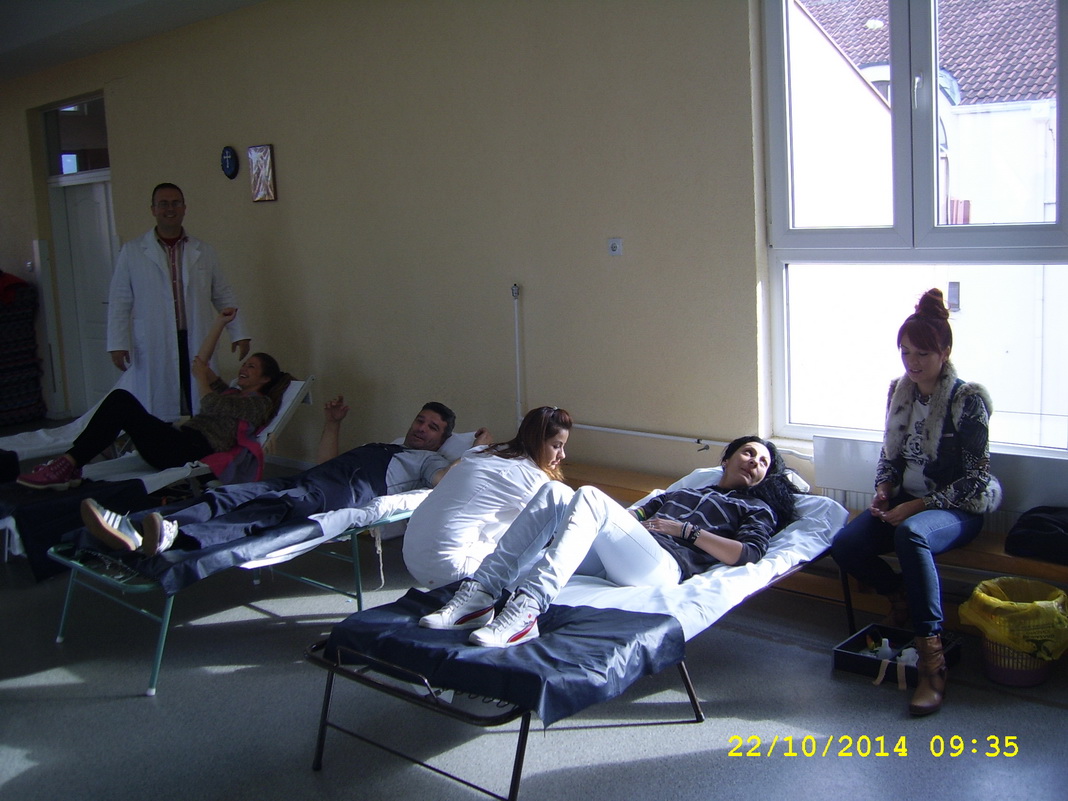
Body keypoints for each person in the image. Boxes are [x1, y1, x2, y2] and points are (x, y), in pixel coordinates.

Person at [420, 435, 800, 647]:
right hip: (625, 553)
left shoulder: (756, 508)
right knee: (555, 493)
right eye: (748, 452)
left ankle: (528, 610)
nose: (754, 462)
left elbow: (746, 554)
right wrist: (600, 524)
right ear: (727, 458)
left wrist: (686, 532)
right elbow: (636, 516)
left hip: (664, 566)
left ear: (764, 477)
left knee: (588, 494)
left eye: (763, 462)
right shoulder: (682, 492)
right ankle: (480, 594)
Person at [830, 288, 1001, 717]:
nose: (912, 362)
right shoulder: (899, 391)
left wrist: (919, 507)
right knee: (845, 545)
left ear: (945, 352)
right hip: (906, 501)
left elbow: (976, 479)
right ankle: (901, 596)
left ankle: (932, 662)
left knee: (910, 535)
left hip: (957, 508)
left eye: (923, 353)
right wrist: (884, 490)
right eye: (905, 352)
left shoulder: (967, 400)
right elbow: (889, 456)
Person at [79, 400, 485, 557]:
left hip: (339, 494)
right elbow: (327, 461)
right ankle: (133, 527)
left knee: (269, 509)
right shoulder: (385, 445)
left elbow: (443, 482)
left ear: (441, 440)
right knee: (231, 494)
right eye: (420, 420)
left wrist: (475, 453)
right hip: (317, 477)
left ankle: (174, 536)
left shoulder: (427, 461)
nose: (421, 428)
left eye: (432, 427)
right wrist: (332, 423)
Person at [17, 308, 286, 491]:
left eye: (251, 367)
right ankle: (71, 463)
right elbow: (200, 364)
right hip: (177, 440)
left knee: (122, 402)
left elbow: (209, 402)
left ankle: (68, 465)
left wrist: (202, 380)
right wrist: (219, 323)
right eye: (245, 364)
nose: (243, 368)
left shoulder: (258, 404)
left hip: (188, 450)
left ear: (265, 379)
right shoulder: (231, 392)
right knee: (120, 401)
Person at [108, 182, 250, 419]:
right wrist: (117, 343)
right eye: (163, 204)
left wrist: (239, 333)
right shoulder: (132, 252)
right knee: (160, 406)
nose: (170, 209)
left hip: (195, 338)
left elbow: (223, 294)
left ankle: (199, 437)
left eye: (175, 203)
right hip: (155, 340)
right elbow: (119, 301)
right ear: (153, 209)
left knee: (199, 399)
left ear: (184, 208)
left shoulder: (204, 251)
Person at [403, 406, 573, 589]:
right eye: (556, 446)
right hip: (448, 568)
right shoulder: (531, 477)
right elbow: (566, 522)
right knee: (544, 544)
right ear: (537, 441)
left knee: (505, 516)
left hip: (411, 554)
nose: (562, 455)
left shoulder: (486, 451)